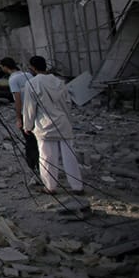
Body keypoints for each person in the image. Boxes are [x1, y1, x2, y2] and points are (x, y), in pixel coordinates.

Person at [22, 56, 83, 194]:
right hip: (63, 123)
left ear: (33, 67)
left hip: (45, 126)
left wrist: (27, 126)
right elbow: (68, 104)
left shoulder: (32, 83)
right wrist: (67, 120)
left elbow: (29, 108)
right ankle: (77, 186)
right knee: (70, 157)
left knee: (46, 158)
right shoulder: (59, 82)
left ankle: (50, 187)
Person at [1, 57, 38, 172]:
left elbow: (17, 99)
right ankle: (40, 163)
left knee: (29, 140)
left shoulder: (13, 79)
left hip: (24, 112)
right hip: (36, 110)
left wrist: (18, 118)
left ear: (5, 67)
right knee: (36, 139)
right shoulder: (27, 75)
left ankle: (33, 165)